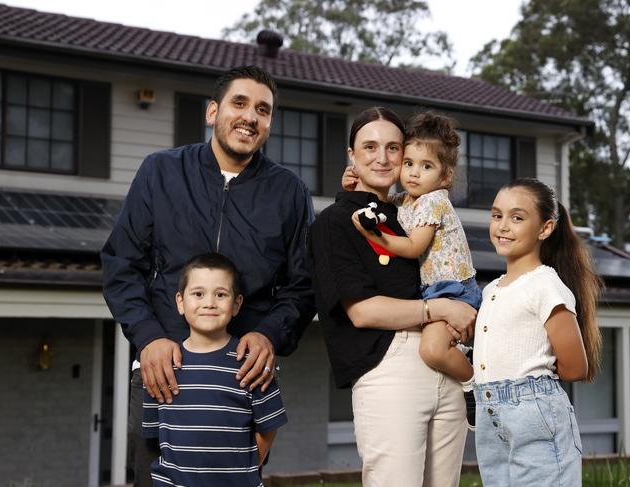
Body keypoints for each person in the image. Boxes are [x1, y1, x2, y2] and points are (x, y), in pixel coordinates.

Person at [101, 65, 316, 487]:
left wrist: (270, 333)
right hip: (163, 373)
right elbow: (122, 262)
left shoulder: (290, 192)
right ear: (212, 112)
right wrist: (149, 337)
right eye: (239, 103)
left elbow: (303, 284)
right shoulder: (160, 171)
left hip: (241, 382)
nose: (250, 117)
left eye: (263, 110)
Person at [309, 106, 477, 487]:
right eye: (369, 147)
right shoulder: (335, 222)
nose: (382, 158)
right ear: (352, 155)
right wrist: (439, 308)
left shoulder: (412, 209)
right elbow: (363, 312)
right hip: (389, 365)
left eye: (393, 147)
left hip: (447, 363)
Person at [345, 111, 481, 428]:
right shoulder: (408, 199)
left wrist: (373, 235)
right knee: (435, 349)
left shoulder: (434, 200)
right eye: (408, 164)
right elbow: (380, 201)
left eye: (426, 166)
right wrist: (352, 185)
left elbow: (412, 248)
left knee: (432, 351)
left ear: (445, 177)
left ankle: (474, 383)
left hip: (456, 290)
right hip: (436, 291)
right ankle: (464, 355)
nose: (414, 173)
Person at [473, 178, 602, 486]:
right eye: (497, 215)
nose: (503, 226)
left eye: (517, 218)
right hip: (489, 414)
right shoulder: (490, 289)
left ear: (545, 229)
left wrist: (528, 384)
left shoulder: (544, 284)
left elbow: (574, 366)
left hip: (534, 413)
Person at [142, 253, 287, 486]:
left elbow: (268, 428)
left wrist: (244, 470)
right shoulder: (161, 365)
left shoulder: (252, 362)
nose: (209, 303)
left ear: (236, 304)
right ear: (180, 302)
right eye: (198, 294)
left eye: (220, 294)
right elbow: (155, 436)